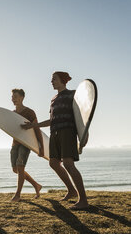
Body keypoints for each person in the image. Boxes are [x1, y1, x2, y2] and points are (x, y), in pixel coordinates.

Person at [21, 71, 89, 209]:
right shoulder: (53, 99)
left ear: (62, 80)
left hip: (67, 132)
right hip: (55, 133)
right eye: (51, 79)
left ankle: (83, 200)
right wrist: (33, 125)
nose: (52, 81)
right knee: (53, 163)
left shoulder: (73, 94)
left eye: (54, 79)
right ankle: (71, 190)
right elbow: (52, 120)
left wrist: (83, 135)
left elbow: (83, 114)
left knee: (69, 164)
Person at [9, 89, 43, 202]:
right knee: (16, 169)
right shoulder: (12, 114)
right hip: (15, 143)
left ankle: (17, 194)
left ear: (22, 97)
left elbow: (37, 129)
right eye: (12, 97)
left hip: (25, 143)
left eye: (15, 96)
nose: (13, 99)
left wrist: (41, 146)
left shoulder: (29, 112)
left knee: (20, 166)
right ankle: (36, 185)